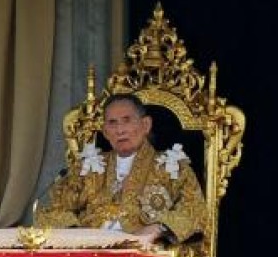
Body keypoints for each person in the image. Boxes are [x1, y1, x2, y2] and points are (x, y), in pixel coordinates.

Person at [36, 93, 206, 244]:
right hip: (88, 253)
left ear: (145, 125)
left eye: (127, 120)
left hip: (141, 253)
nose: (120, 130)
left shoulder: (172, 168)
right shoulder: (87, 168)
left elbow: (195, 210)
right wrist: (77, 235)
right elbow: (50, 208)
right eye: (112, 123)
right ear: (105, 132)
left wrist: (158, 228)